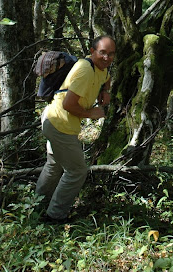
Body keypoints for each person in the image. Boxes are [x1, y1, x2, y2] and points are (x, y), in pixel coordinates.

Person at [36, 35, 115, 224]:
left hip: (52, 120)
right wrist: (92, 113)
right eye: (102, 53)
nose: (107, 58)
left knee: (54, 165)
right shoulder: (85, 71)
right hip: (59, 124)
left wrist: (105, 91)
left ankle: (36, 204)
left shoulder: (99, 69)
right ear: (92, 51)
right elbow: (69, 105)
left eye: (111, 54)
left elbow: (106, 78)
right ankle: (55, 216)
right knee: (77, 171)